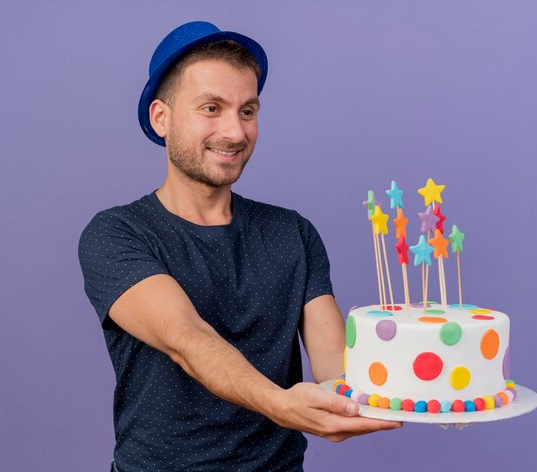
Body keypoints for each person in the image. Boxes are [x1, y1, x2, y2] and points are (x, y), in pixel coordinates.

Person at [79, 21, 401, 472]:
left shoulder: (293, 233)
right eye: (211, 108)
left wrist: (420, 391)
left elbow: (337, 370)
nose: (234, 132)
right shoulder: (117, 234)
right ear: (161, 118)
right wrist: (279, 403)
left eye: (247, 111)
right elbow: (186, 339)